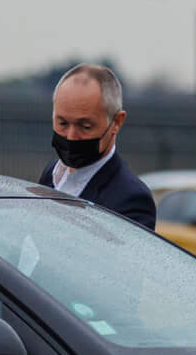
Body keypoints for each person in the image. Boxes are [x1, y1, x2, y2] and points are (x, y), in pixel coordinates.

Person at [37, 64, 156, 231]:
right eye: (62, 123)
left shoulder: (131, 198)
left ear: (116, 122)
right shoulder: (51, 173)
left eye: (85, 126)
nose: (70, 136)